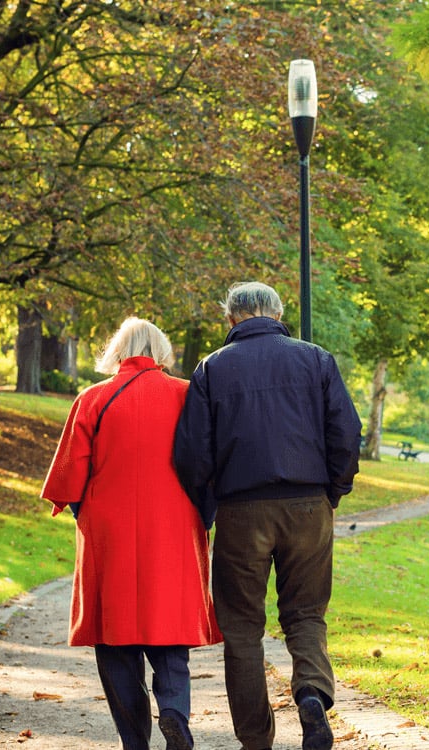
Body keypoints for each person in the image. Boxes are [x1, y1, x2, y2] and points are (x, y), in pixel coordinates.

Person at [173, 282, 362, 750]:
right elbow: (346, 432)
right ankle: (312, 694)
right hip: (308, 505)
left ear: (230, 319)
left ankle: (256, 739)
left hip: (241, 510)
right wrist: (333, 491)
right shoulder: (316, 359)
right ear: (278, 314)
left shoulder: (212, 368)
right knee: (306, 613)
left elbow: (192, 452)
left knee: (241, 628)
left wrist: (209, 506)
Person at [41, 317, 222, 750]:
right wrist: (204, 515)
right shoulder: (187, 395)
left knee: (115, 641)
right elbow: (209, 463)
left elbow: (68, 478)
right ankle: (174, 713)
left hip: (110, 533)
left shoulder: (92, 399)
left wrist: (88, 516)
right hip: (175, 530)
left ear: (117, 352)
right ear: (161, 352)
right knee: (171, 634)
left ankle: (134, 741)